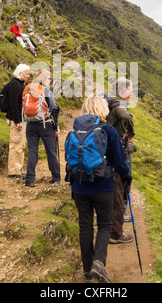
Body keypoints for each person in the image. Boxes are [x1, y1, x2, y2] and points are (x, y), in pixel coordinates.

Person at [66, 96, 132, 283]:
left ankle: (87, 271)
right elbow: (119, 162)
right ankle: (98, 263)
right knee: (104, 225)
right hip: (103, 186)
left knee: (85, 226)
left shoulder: (75, 130)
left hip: (80, 186)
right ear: (103, 110)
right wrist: (127, 177)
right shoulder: (108, 131)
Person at [106, 77, 135, 244]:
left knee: (116, 187)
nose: (132, 93)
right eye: (130, 90)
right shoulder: (119, 106)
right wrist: (131, 133)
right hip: (117, 151)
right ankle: (115, 232)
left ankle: (114, 222)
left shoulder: (111, 103)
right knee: (119, 186)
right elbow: (125, 116)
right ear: (123, 91)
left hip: (110, 148)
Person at [25, 69, 61, 187]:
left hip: (30, 125)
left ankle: (30, 179)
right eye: (49, 78)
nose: (50, 81)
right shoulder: (46, 91)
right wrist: (57, 127)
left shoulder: (28, 89)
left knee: (33, 152)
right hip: (45, 124)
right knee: (51, 152)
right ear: (43, 79)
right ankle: (56, 177)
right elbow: (53, 109)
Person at [6, 64, 31, 179]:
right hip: (16, 119)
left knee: (20, 144)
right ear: (20, 73)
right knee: (16, 144)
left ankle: (18, 169)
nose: (28, 76)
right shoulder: (15, 85)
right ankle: (14, 171)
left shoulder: (19, 85)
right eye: (27, 73)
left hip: (19, 119)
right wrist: (18, 121)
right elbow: (14, 105)